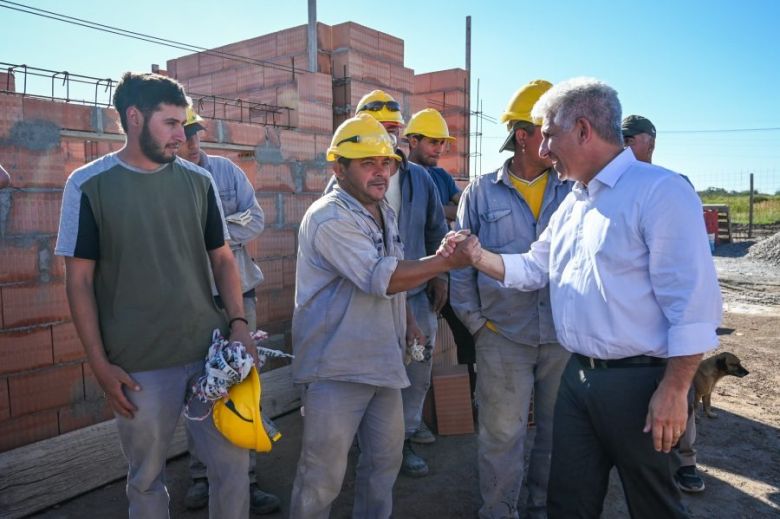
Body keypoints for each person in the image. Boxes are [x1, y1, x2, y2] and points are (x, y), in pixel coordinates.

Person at [440, 77, 722, 519]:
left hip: (639, 384)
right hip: (578, 378)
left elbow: (693, 304)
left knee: (653, 505)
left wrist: (675, 387)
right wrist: (477, 255)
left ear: (584, 130)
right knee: (568, 501)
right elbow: (534, 267)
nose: (546, 149)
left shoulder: (659, 191)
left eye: (550, 135)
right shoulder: (575, 200)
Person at [56, 72, 255, 518]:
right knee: (146, 480)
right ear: (133, 118)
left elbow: (223, 259)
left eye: (183, 124)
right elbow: (79, 282)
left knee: (232, 467)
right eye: (169, 123)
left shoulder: (198, 182)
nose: (181, 136)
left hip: (211, 357)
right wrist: (100, 366)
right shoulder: (88, 184)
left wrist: (239, 325)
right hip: (137, 367)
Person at [289, 113, 480, 518]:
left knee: (383, 465)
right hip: (335, 368)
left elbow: (393, 280)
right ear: (339, 167)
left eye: (386, 163)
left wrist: (410, 326)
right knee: (321, 479)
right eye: (367, 163)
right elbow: (382, 277)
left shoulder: (382, 212)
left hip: (382, 362)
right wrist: (445, 261)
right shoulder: (329, 217)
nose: (381, 173)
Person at [449, 80, 572, 519]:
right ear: (523, 135)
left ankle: (540, 508)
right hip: (502, 337)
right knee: (502, 435)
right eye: (548, 129)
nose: (557, 138)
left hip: (562, 337)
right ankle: (499, 510)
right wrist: (477, 325)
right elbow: (461, 264)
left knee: (557, 434)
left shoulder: (573, 190)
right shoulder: (481, 193)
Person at [324, 90, 449, 476]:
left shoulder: (420, 179)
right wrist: (444, 262)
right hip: (365, 299)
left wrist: (440, 274)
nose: (387, 138)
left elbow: (434, 228)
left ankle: (404, 439)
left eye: (393, 130)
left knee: (415, 372)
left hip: (411, 296)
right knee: (372, 378)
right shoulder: (337, 198)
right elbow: (371, 271)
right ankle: (371, 448)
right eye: (378, 129)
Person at [178, 106, 281, 514]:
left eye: (193, 131)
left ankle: (247, 477)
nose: (189, 141)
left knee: (242, 386)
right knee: (199, 387)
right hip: (193, 299)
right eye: (182, 131)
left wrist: (212, 235)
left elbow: (254, 220)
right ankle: (202, 477)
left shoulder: (225, 172)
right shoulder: (166, 179)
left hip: (239, 296)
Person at [623, 113, 704, 493]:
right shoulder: (611, 188)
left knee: (677, 390)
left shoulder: (673, 185)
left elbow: (690, 267)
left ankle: (684, 461)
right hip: (631, 328)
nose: (622, 145)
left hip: (668, 321)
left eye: (629, 139)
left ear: (649, 142)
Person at [404, 109, 478, 395]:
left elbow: (464, 207)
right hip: (407, 272)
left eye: (442, 143)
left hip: (439, 270)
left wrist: (444, 210)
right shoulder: (402, 175)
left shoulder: (440, 176)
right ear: (412, 140)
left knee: (460, 332)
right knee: (407, 343)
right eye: (433, 142)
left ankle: (468, 395)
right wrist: (443, 210)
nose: (440, 149)